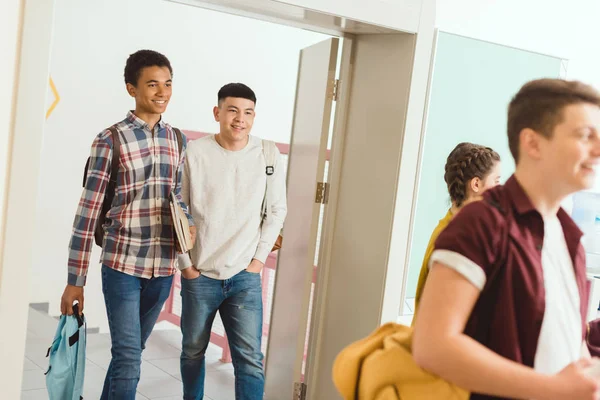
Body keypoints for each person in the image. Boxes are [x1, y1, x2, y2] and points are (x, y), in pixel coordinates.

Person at [413, 78, 600, 400]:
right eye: (585, 136)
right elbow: (433, 346)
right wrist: (552, 390)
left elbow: (563, 346)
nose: (598, 149)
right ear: (533, 143)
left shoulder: (569, 236)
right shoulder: (481, 223)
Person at [60, 49, 195, 400]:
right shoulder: (110, 140)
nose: (162, 92)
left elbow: (177, 196)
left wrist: (188, 223)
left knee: (129, 355)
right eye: (152, 84)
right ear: (131, 89)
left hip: (163, 268)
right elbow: (87, 213)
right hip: (122, 264)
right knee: (128, 358)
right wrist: (75, 282)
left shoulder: (177, 139)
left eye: (167, 84)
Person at [178, 83, 287, 400]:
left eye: (248, 112)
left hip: (244, 277)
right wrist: (186, 267)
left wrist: (257, 263)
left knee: (250, 361)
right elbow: (178, 211)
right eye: (233, 110)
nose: (241, 119)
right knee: (192, 352)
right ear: (218, 113)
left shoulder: (267, 153)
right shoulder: (195, 153)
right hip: (200, 274)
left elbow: (277, 210)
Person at [413, 142, 501, 316]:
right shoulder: (452, 241)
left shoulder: (465, 230)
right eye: (496, 181)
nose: (500, 189)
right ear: (476, 184)